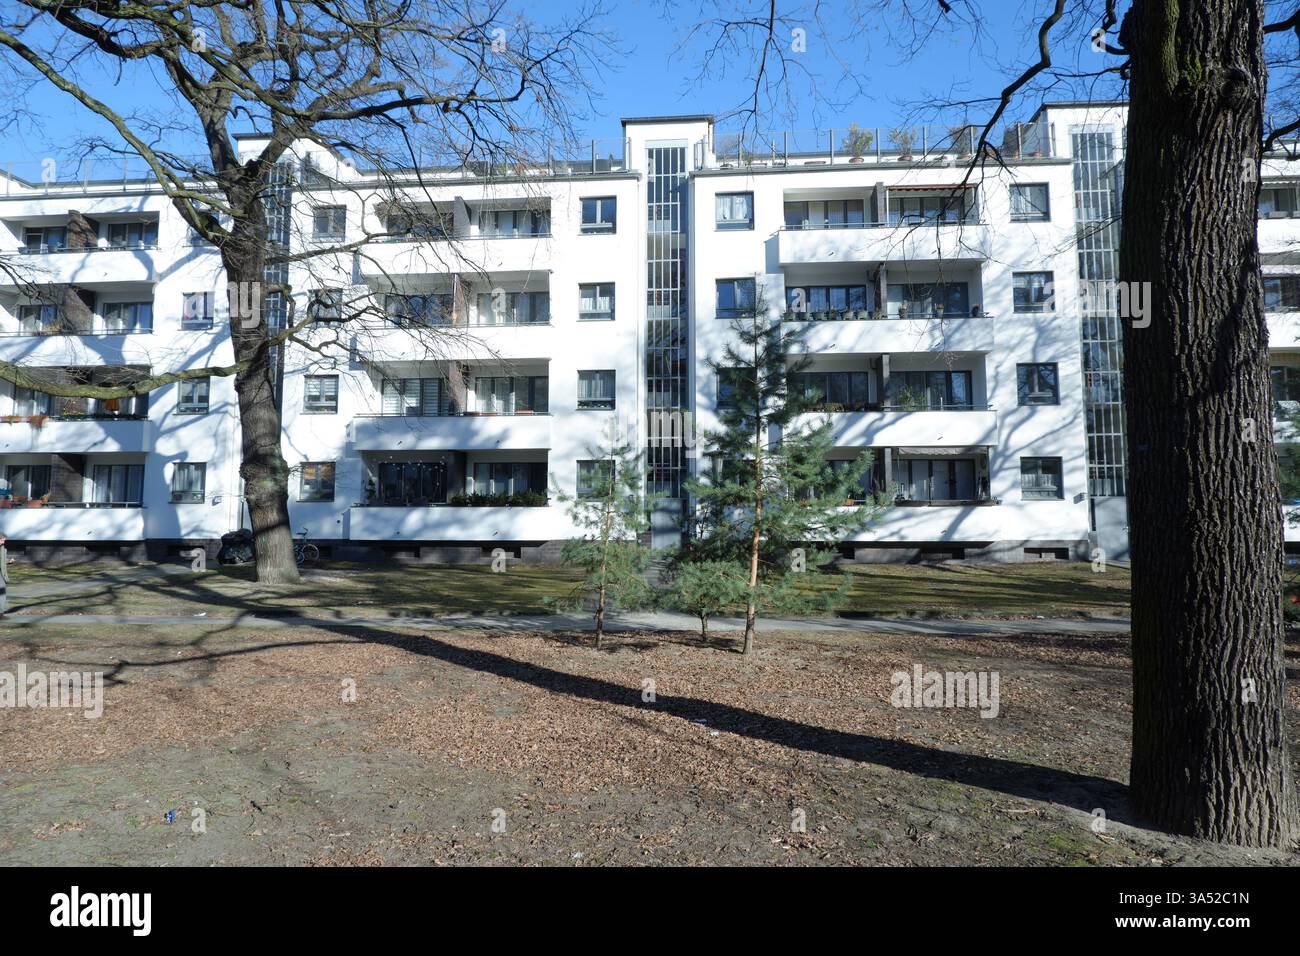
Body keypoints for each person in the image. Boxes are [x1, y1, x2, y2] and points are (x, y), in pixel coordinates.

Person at [0, 534, 10, 619]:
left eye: (4, 540)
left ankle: (0, 613)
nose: (3, 542)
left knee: (2, 592)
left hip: (1, 573)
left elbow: (2, 560)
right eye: (2, 540)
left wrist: (9, 561)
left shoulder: (2, 548)